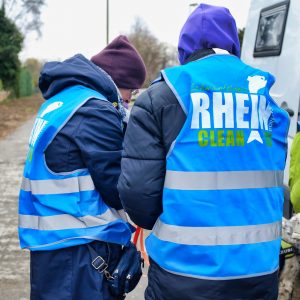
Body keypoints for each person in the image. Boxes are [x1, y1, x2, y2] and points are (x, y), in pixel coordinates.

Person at [118, 4, 290, 300]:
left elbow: (139, 197)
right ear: (233, 45)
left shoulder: (162, 96)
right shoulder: (268, 96)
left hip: (183, 273)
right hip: (259, 273)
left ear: (184, 49)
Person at [18, 35, 146, 300]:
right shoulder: (94, 110)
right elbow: (116, 187)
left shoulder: (64, 100)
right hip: (81, 249)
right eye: (131, 92)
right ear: (116, 81)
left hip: (55, 244)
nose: (129, 101)